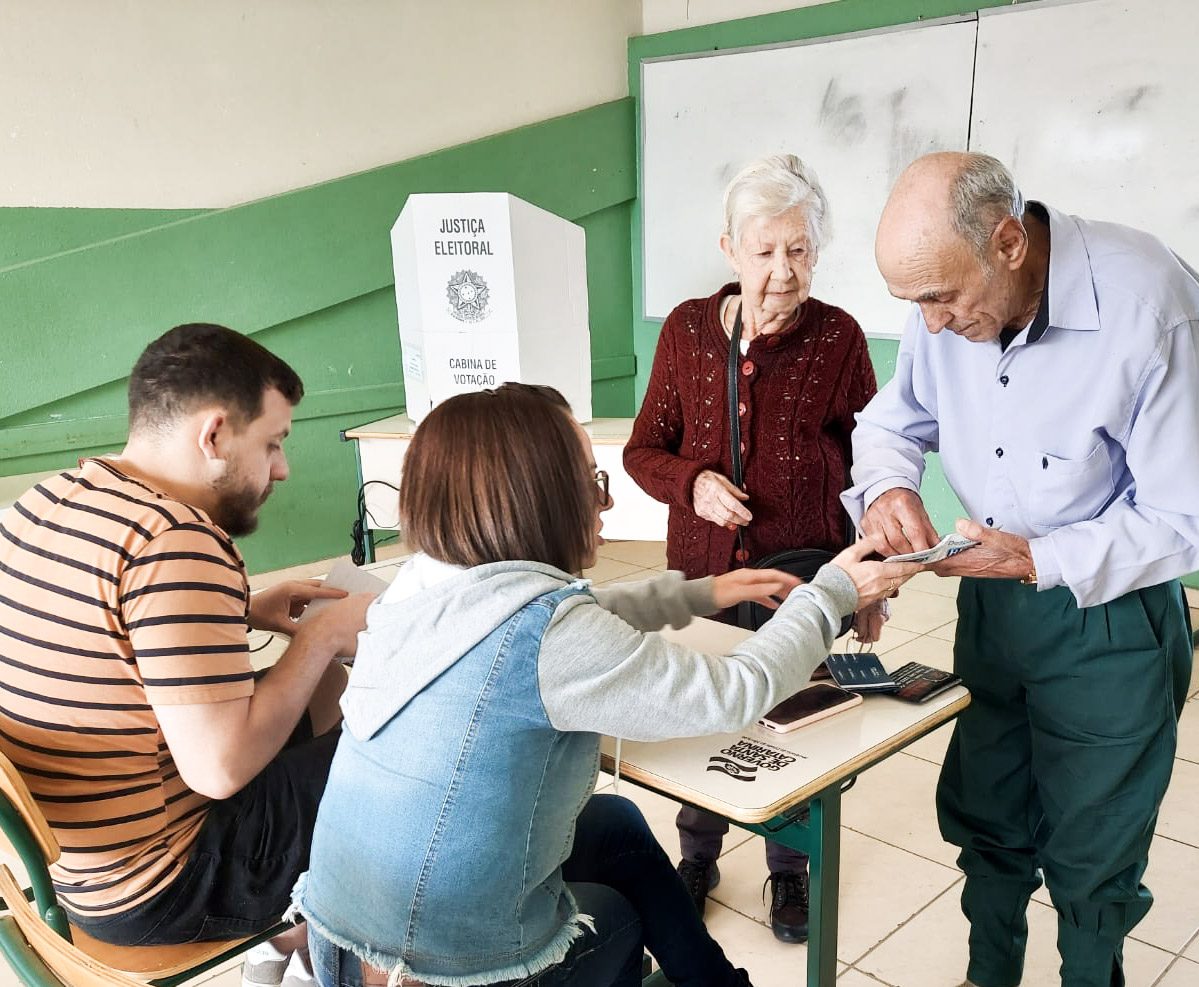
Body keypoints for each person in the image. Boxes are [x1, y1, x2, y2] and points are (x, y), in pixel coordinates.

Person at [291, 383, 920, 987]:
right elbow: (738, 689)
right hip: (434, 971)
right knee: (616, 921)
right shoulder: (547, 637)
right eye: (591, 482)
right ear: (537, 497)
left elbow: (564, 612)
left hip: (343, 944)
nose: (606, 502)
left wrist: (702, 593)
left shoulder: (419, 586)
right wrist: (829, 594)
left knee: (613, 821)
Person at [842, 151, 1199, 987]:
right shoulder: (949, 309)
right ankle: (986, 972)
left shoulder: (1148, 303)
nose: (928, 326)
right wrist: (888, 485)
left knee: (1091, 850)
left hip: (1108, 616)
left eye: (938, 298)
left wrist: (1039, 557)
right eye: (910, 303)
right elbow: (892, 420)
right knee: (988, 815)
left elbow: (1184, 516)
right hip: (993, 606)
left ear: (1007, 242)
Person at [0, 324, 373, 953]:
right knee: (413, 759)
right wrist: (323, 634)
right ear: (215, 433)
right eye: (273, 443)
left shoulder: (51, 498)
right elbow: (220, 770)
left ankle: (301, 943)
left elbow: (102, 634)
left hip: (73, 868)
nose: (282, 470)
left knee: (326, 689)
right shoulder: (177, 540)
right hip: (164, 887)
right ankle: (327, 945)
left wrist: (244, 610)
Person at [624, 153, 880, 942]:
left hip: (802, 578)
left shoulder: (837, 338)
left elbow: (875, 462)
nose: (782, 270)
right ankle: (697, 854)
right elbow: (642, 449)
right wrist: (692, 482)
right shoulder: (686, 330)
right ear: (730, 248)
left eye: (798, 250)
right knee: (700, 724)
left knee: (789, 722)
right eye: (764, 250)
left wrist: (874, 582)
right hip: (703, 578)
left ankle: (788, 873)